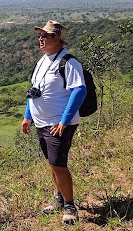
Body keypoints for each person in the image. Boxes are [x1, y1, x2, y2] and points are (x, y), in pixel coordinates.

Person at [21, 20, 87, 225]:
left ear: (57, 38)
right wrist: (28, 115)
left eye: (45, 36)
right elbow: (34, 90)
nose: (40, 39)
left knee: (58, 164)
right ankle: (59, 199)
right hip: (42, 122)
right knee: (52, 164)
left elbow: (79, 90)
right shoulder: (43, 61)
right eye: (39, 36)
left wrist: (64, 121)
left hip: (58, 124)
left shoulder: (69, 62)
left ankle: (70, 206)